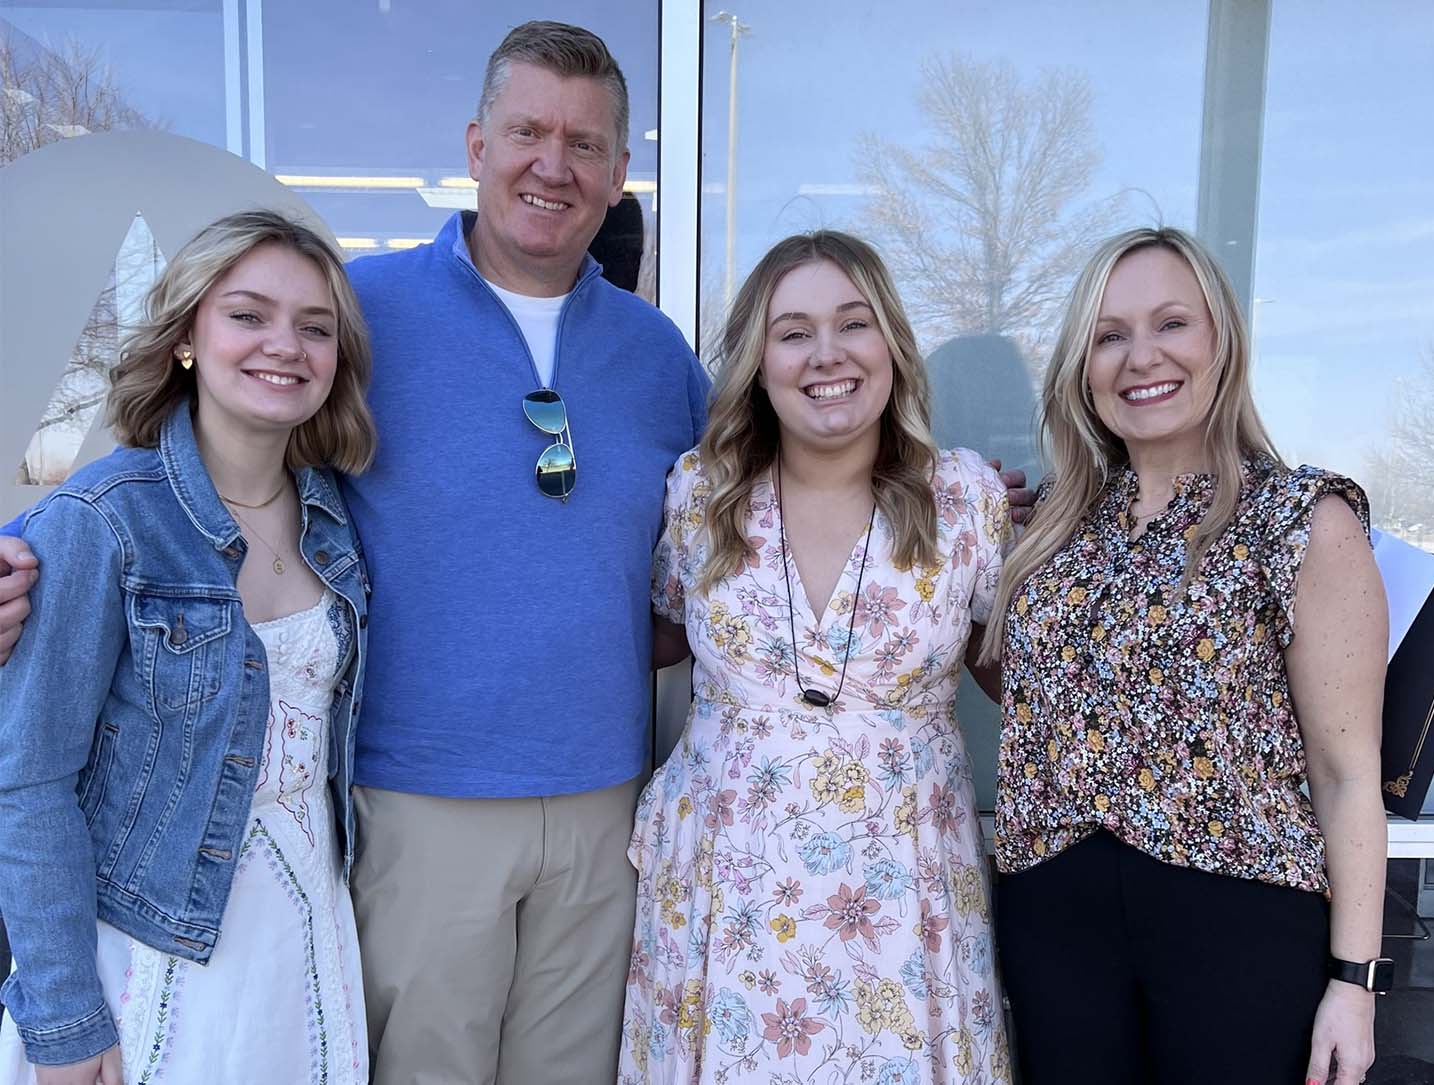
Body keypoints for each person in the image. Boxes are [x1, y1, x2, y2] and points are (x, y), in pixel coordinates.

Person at [0, 23, 1034, 1083]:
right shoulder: (361, 314)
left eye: (585, 144)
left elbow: (723, 567)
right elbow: (210, 470)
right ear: (476, 144)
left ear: (620, 173)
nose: (554, 164)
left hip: (607, 812)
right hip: (419, 804)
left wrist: (948, 509)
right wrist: (34, 557)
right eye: (528, 131)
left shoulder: (653, 352)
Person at [978, 227, 1387, 1085]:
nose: (1141, 356)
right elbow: (1028, 695)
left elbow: (1347, 771)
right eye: (1109, 334)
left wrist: (1355, 982)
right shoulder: (1053, 527)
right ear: (1082, 367)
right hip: (1054, 921)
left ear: (1221, 342)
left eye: (1171, 323)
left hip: (1238, 924)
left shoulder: (1304, 521)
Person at [620, 231, 1015, 1084]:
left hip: (904, 894)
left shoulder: (967, 499)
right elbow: (649, 637)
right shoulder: (700, 494)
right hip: (728, 889)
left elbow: (1015, 673)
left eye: (853, 323)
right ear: (758, 363)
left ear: (894, 347)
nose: (825, 354)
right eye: (793, 331)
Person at [0, 210, 377, 1084]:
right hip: (150, 943)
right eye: (248, 314)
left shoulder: (334, 518)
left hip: (307, 928)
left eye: (314, 327)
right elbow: (27, 780)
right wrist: (64, 1018)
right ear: (184, 339)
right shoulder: (104, 521)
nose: (284, 344)